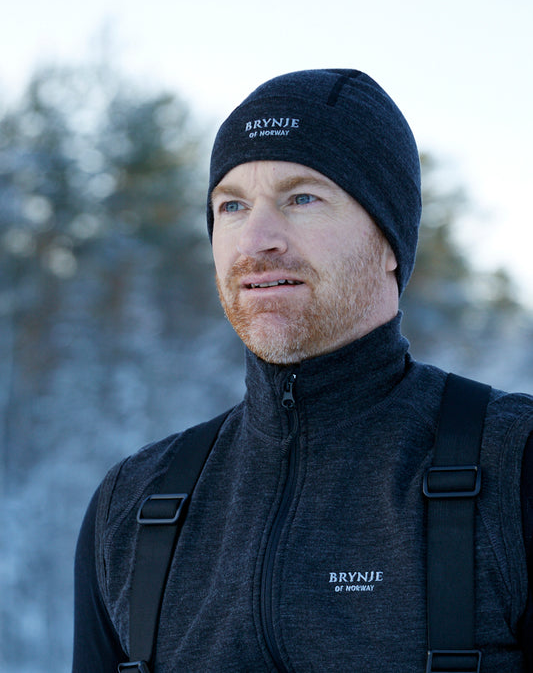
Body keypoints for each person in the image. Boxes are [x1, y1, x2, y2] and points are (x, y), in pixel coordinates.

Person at [73, 69, 533, 671]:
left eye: (302, 198)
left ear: (390, 239)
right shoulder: (134, 505)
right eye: (232, 205)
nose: (256, 240)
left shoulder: (513, 464)